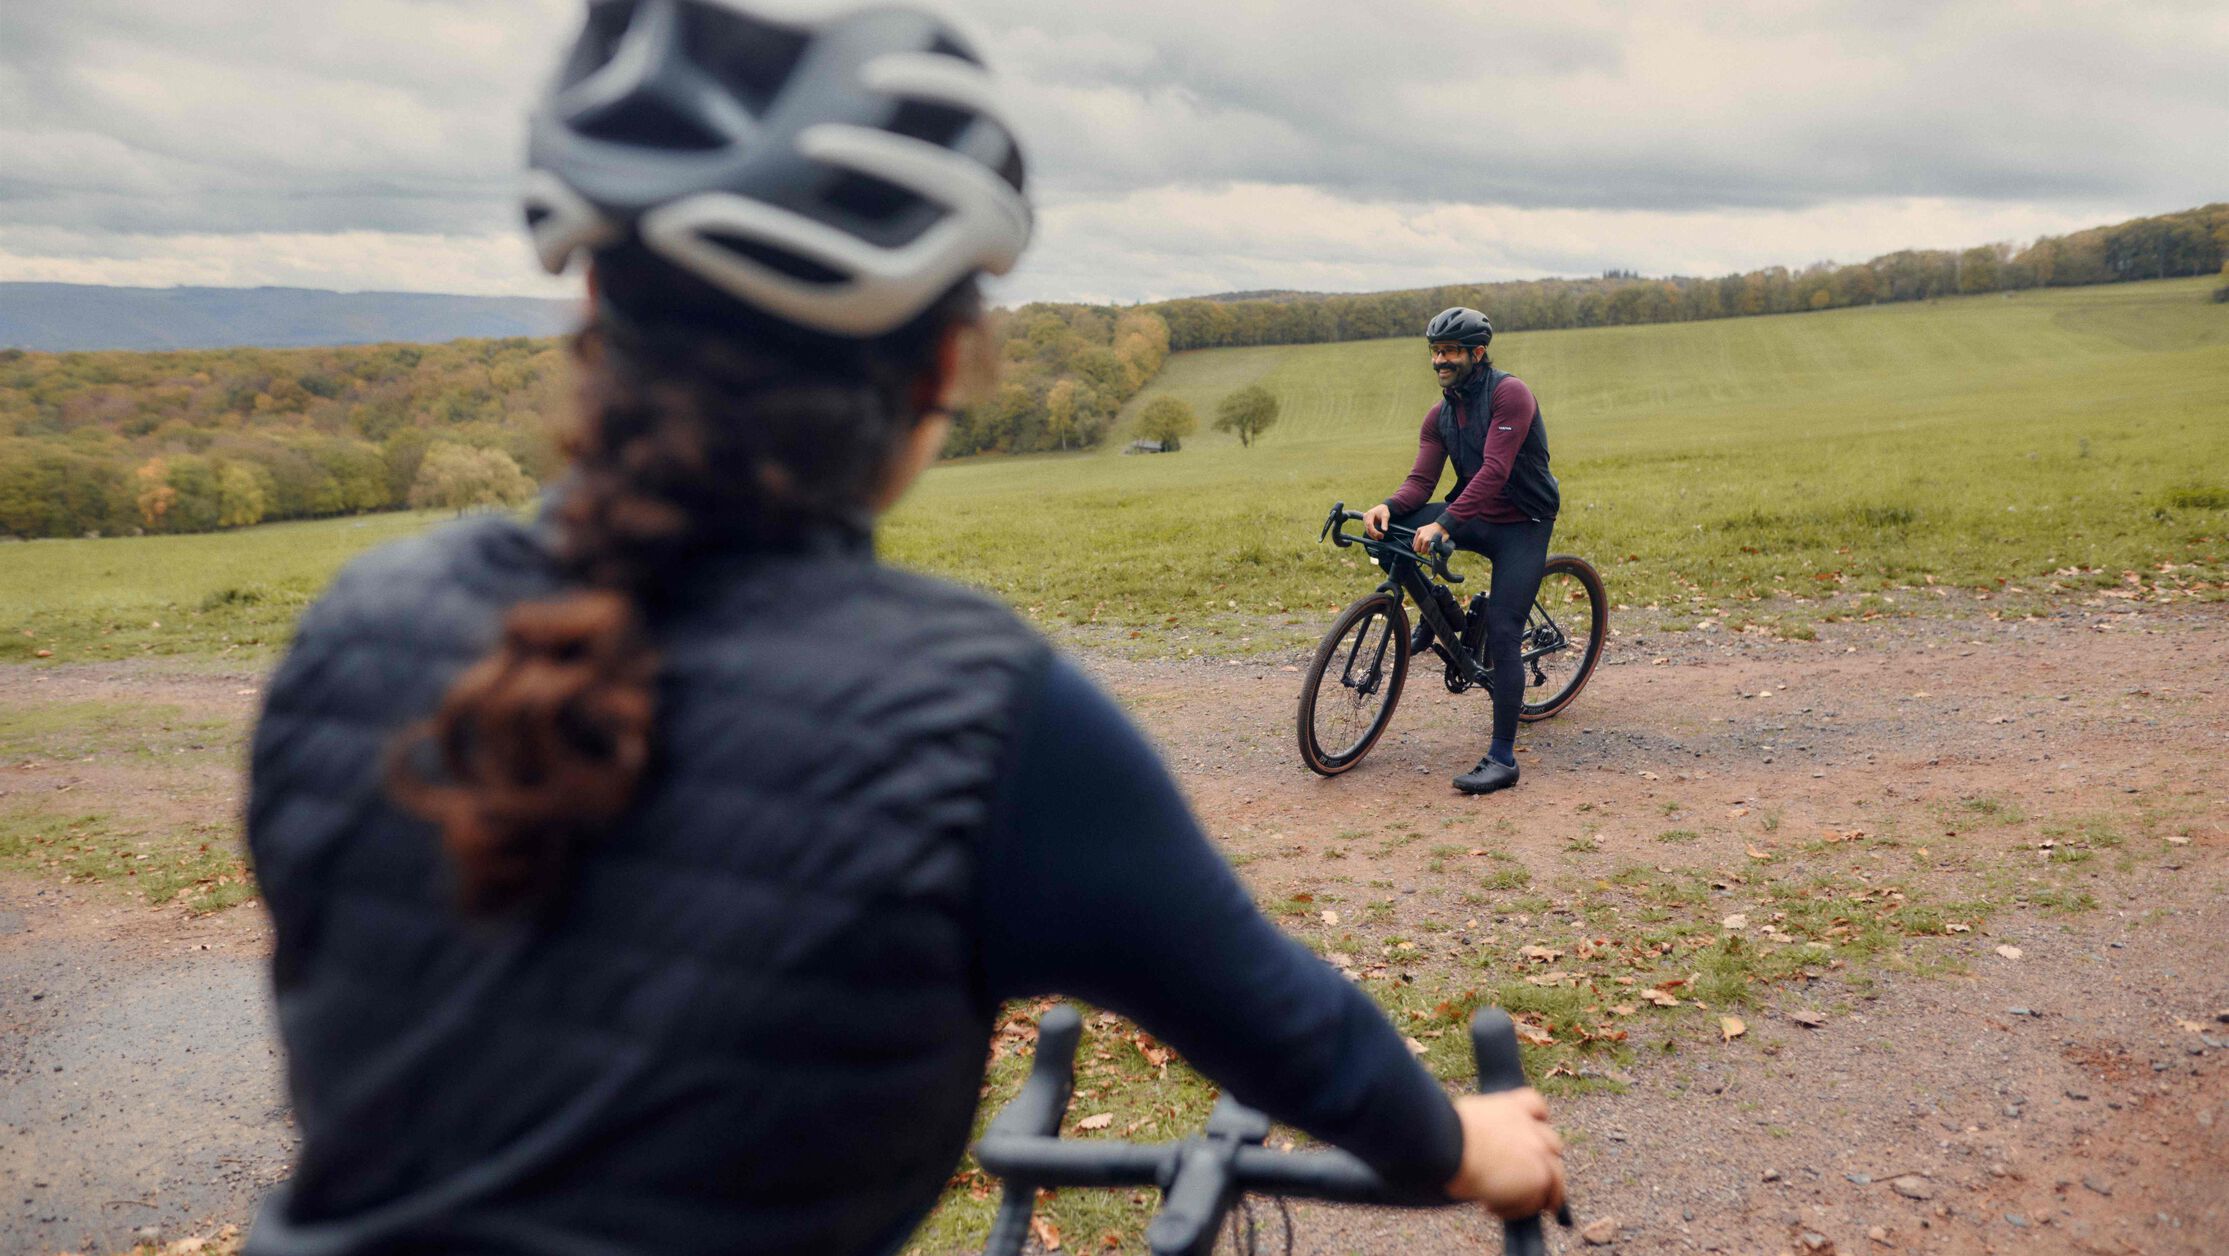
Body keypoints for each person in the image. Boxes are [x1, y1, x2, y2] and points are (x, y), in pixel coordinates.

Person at [242, 4, 1564, 1253]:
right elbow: (1292, 1030)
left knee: (1502, 619)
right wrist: (1462, 1141)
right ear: (944, 368)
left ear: (594, 310)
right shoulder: (985, 722)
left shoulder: (353, 637)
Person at [1362, 307, 1561, 796]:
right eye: (1434, 352)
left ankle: (1502, 758)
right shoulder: (1441, 414)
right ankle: (1441, 612)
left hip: (1521, 522)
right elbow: (1421, 481)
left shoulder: (1509, 394)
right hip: (1474, 513)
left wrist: (1443, 522)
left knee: (1504, 629)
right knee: (1388, 534)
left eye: (1449, 351)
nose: (1439, 361)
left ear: (1477, 352)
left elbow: (1494, 470)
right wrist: (1387, 507)